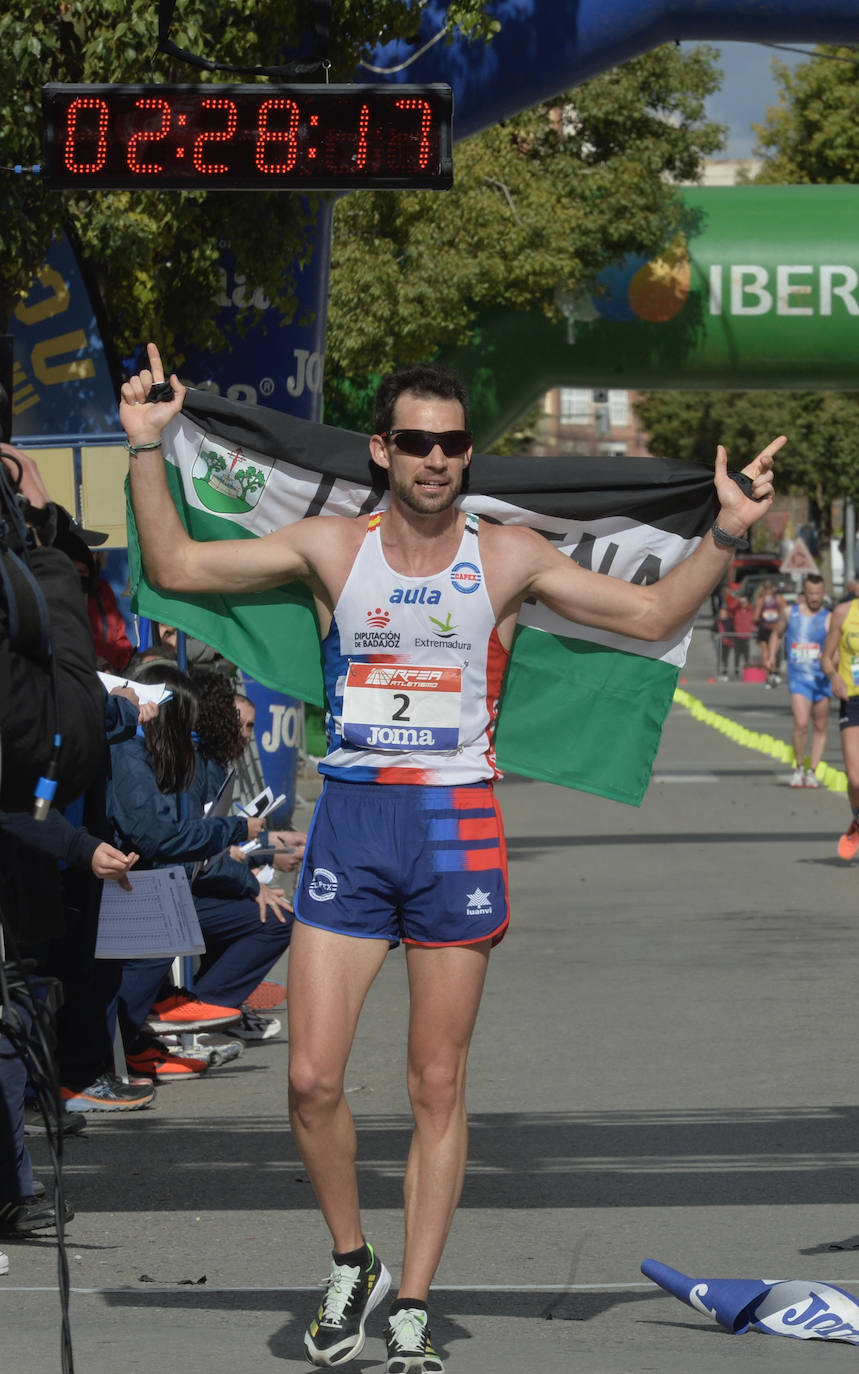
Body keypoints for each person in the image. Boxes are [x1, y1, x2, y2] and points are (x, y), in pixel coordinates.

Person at [120, 342, 781, 1373]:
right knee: (307, 1080)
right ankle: (353, 1260)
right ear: (382, 451)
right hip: (350, 824)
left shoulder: (507, 556)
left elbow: (649, 613)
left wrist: (726, 535)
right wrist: (146, 452)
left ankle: (417, 1300)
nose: (436, 459)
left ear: (469, 454)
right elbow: (174, 570)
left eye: (454, 443)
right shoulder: (334, 547)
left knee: (436, 1083)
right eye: (416, 443)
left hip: (453, 831)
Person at [766, 574, 832, 788]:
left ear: (823, 594)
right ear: (804, 593)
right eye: (810, 593)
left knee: (820, 725)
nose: (814, 598)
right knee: (801, 723)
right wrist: (771, 656)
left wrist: (830, 658)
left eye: (818, 594)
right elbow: (776, 633)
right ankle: (798, 768)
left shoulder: (829, 618)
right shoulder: (790, 613)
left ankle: (812, 771)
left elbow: (837, 647)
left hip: (822, 679)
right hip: (799, 678)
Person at [822, 587, 859, 857]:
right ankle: (857, 818)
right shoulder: (844, 613)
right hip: (853, 699)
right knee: (856, 779)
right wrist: (834, 677)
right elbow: (826, 657)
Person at [753, 578, 786, 685]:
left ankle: (766, 676)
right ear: (772, 588)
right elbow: (785, 611)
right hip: (774, 628)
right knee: (773, 653)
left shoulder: (761, 600)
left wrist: (762, 618)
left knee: (765, 653)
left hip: (764, 627)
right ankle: (772, 675)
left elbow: (756, 617)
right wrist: (778, 618)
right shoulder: (778, 598)